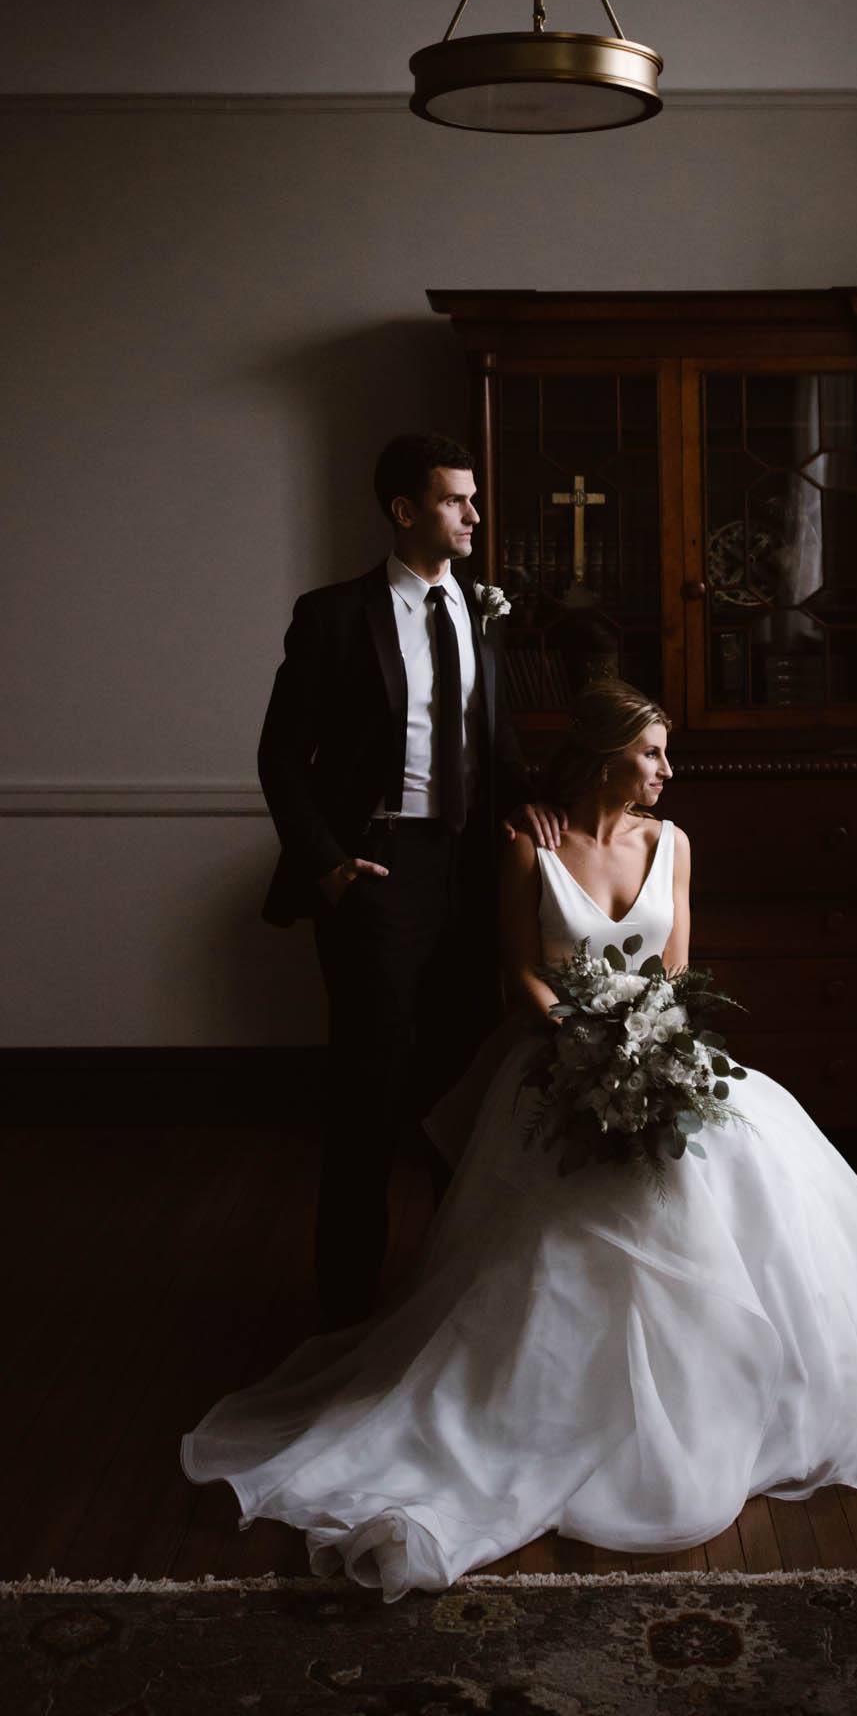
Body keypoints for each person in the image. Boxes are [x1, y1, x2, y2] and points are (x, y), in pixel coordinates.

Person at [183, 678, 857, 1598]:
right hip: (557, 1053)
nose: (666, 771)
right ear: (604, 757)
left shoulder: (673, 844)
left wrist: (653, 1060)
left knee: (718, 1183)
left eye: (667, 753)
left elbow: (677, 976)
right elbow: (520, 969)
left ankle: (714, 1400)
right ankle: (546, 1410)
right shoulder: (529, 842)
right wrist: (580, 1043)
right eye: (650, 753)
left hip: (659, 1052)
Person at [255, 429, 563, 1329]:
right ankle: (345, 1315)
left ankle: (451, 1304)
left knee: (464, 1092)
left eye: (472, 498)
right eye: (454, 500)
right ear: (404, 511)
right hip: (380, 872)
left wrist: (533, 806)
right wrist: (330, 867)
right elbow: (280, 756)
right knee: (369, 1092)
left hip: (471, 872)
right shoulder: (333, 615)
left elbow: (491, 740)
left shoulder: (479, 607)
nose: (474, 514)